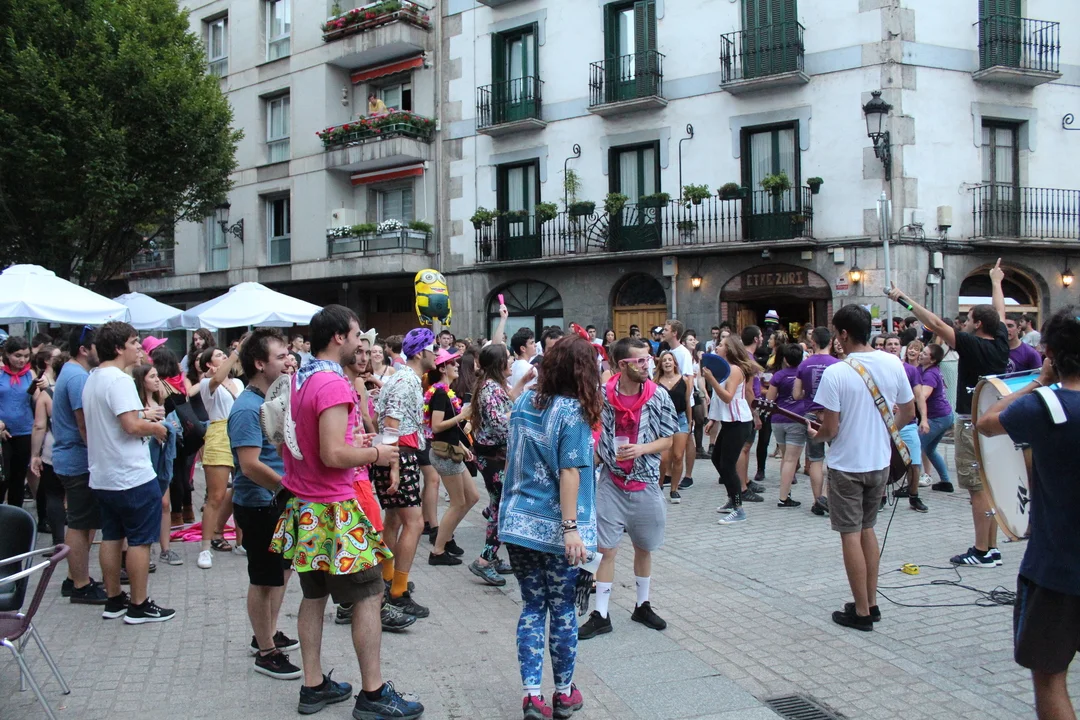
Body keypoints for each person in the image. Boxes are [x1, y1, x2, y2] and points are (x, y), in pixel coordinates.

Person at [269, 305, 422, 719]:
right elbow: (333, 454)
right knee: (369, 595)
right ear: (339, 337)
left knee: (314, 596)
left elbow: (303, 443)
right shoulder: (333, 383)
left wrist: (359, 442)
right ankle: (373, 694)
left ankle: (313, 685)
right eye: (357, 336)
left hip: (305, 508)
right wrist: (376, 453)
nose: (361, 344)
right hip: (333, 510)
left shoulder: (301, 377)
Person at [976, 307, 1080, 720]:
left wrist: (1039, 380)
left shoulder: (1046, 406)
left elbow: (986, 422)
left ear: (1049, 352)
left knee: (1050, 677)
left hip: (1056, 567)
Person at [499, 335, 598, 720]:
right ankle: (564, 692)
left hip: (518, 522)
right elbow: (570, 472)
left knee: (532, 606)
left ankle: (531, 695)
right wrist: (570, 528)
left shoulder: (524, 402)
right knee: (562, 609)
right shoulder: (573, 411)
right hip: (557, 530)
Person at [889, 260, 1008, 567]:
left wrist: (903, 298)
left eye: (968, 319)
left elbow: (934, 323)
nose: (964, 323)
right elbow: (1000, 312)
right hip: (997, 421)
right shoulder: (1000, 343)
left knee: (976, 488)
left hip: (972, 423)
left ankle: (981, 550)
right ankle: (992, 547)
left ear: (977, 325)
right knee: (991, 486)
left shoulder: (971, 344)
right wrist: (996, 282)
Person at [809, 305, 914, 631]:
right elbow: (908, 412)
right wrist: (885, 431)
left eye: (837, 333)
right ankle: (871, 602)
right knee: (868, 529)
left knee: (850, 535)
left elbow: (831, 429)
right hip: (879, 462)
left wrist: (816, 435)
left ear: (843, 334)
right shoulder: (893, 362)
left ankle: (861, 612)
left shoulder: (836, 373)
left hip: (847, 465)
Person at [579, 336, 676, 641]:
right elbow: (590, 430)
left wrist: (642, 449)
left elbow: (668, 440)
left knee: (643, 547)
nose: (648, 365)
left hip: (645, 482)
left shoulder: (658, 396)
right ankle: (601, 614)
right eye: (640, 360)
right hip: (611, 481)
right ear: (622, 365)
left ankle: (642, 605)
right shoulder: (602, 396)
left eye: (649, 359)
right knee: (605, 549)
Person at [82, 321, 174, 624]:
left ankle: (114, 599)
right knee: (139, 541)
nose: (139, 347)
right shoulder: (119, 380)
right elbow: (131, 425)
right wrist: (157, 428)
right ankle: (139, 604)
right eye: (134, 342)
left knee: (112, 536)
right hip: (130, 474)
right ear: (118, 347)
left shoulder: (93, 378)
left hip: (104, 474)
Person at [226, 329, 303, 678]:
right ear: (259, 363)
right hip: (260, 504)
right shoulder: (247, 408)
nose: (289, 361)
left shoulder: (270, 399)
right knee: (263, 578)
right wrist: (288, 489)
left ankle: (267, 633)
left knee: (280, 572)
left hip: (276, 501)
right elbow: (249, 465)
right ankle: (265, 650)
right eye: (280, 356)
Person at [372, 328, 436, 619]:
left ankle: (388, 579)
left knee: (395, 519)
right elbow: (390, 421)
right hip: (400, 454)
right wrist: (395, 465)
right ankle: (397, 591)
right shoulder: (407, 379)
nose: (437, 355)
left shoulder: (401, 377)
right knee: (415, 523)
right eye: (434, 349)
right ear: (421, 353)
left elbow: (379, 417)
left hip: (395, 453)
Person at [468, 344, 534, 586]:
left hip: (496, 456)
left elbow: (507, 402)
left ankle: (492, 558)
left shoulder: (495, 385)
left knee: (499, 505)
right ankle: (484, 560)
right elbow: (499, 424)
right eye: (508, 358)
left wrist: (522, 384)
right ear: (499, 364)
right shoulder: (489, 389)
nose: (512, 361)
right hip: (492, 457)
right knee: (501, 508)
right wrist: (523, 417)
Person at [52, 326, 108, 604]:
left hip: (73, 458)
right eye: (97, 346)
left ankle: (74, 577)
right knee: (79, 523)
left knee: (84, 522)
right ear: (84, 349)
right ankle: (80, 585)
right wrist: (98, 454)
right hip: (77, 460)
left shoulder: (73, 372)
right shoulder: (77, 377)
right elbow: (83, 422)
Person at [426, 349, 479, 566]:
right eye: (452, 363)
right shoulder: (440, 394)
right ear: (442, 368)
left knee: (473, 497)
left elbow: (447, 429)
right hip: (444, 454)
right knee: (458, 503)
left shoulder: (446, 392)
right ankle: (437, 551)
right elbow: (436, 426)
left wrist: (462, 446)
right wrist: (462, 416)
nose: (457, 366)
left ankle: (446, 538)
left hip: (452, 450)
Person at [196, 345, 244, 570]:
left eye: (225, 354)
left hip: (239, 433)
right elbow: (217, 379)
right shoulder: (206, 383)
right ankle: (205, 547)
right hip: (219, 433)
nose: (224, 357)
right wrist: (236, 352)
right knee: (215, 495)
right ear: (208, 363)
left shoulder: (239, 383)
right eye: (219, 356)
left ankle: (241, 542)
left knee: (242, 490)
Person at [131, 364, 183, 565]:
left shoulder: (161, 401)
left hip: (161, 459)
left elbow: (172, 426)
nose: (157, 380)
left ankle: (165, 549)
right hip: (143, 459)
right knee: (146, 504)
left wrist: (171, 427)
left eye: (157, 376)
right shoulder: (135, 405)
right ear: (141, 380)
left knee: (164, 503)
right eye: (152, 376)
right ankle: (145, 547)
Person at [706, 335, 761, 524]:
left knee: (728, 465)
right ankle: (732, 497)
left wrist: (711, 380)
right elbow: (717, 398)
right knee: (716, 458)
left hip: (739, 422)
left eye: (721, 345)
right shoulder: (725, 368)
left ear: (729, 350)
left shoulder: (735, 370)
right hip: (730, 421)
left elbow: (727, 397)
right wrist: (713, 419)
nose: (717, 347)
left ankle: (738, 508)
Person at [793, 327, 839, 516]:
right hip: (832, 415)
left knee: (815, 459)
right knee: (837, 457)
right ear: (831, 342)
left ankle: (817, 500)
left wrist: (807, 393)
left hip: (810, 415)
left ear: (813, 342)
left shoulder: (804, 365)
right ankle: (827, 497)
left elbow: (796, 394)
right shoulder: (837, 364)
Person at [29, 346, 66, 545]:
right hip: (78, 449)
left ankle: (58, 541)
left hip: (53, 449)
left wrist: (35, 454)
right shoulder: (80, 389)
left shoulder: (48, 394)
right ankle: (78, 540)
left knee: (53, 494)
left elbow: (39, 426)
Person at [887, 339, 929, 513]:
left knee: (914, 461)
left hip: (908, 424)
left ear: (900, 347)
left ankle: (914, 496)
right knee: (882, 462)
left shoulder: (910, 370)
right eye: (889, 344)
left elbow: (919, 396)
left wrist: (924, 419)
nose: (893, 347)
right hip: (883, 423)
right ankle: (880, 497)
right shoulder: (876, 369)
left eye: (896, 344)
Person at [765, 343, 807, 508]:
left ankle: (786, 492)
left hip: (778, 419)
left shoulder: (778, 375)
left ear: (785, 359)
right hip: (797, 419)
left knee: (785, 457)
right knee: (791, 459)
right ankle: (783, 497)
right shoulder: (803, 374)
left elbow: (769, 399)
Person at [0, 336, 35, 507]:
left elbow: (36, 401)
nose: (22, 360)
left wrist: (44, 387)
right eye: (18, 355)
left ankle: (16, 514)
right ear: (7, 354)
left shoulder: (30, 374)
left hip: (25, 430)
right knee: (3, 476)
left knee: (18, 477)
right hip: (3, 432)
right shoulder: (1, 373)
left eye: (26, 356)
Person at [661, 320, 695, 491]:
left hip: (682, 400)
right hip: (670, 401)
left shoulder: (683, 353)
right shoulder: (668, 351)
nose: (663, 332)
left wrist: (686, 399)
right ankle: (669, 474)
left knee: (687, 440)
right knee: (672, 445)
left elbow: (689, 377)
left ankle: (688, 475)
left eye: (666, 329)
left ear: (674, 333)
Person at [653, 351, 690, 503]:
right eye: (664, 360)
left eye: (670, 360)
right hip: (662, 421)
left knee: (678, 456)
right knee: (663, 458)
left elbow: (687, 401)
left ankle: (674, 489)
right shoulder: (655, 381)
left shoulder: (684, 380)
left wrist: (690, 421)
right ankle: (659, 486)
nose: (667, 362)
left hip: (680, 419)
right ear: (660, 364)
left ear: (675, 363)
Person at [917, 344, 954, 490]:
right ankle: (946, 482)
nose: (921, 354)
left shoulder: (930, 374)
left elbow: (923, 395)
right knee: (930, 450)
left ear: (932, 360)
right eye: (922, 351)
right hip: (944, 415)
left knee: (916, 447)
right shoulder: (924, 369)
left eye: (925, 354)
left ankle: (912, 484)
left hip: (938, 417)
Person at [734, 325, 765, 500]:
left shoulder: (745, 357)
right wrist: (755, 413)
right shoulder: (748, 360)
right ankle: (742, 487)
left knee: (746, 447)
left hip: (746, 406)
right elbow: (748, 389)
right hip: (746, 407)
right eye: (761, 335)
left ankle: (745, 479)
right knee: (744, 447)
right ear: (755, 339)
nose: (762, 339)